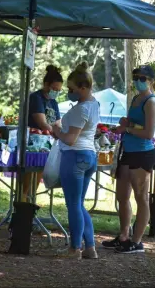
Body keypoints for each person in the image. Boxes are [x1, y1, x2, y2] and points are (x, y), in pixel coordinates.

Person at [102, 65, 155, 253]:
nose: (138, 81)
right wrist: (124, 123)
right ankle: (124, 235)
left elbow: (149, 133)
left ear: (151, 81)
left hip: (143, 153)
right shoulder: (135, 98)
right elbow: (133, 123)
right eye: (136, 77)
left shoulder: (151, 101)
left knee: (141, 197)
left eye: (143, 78)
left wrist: (127, 128)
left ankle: (137, 241)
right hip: (127, 151)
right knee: (122, 196)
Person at [52, 62, 100, 260]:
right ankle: (90, 247)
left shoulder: (82, 110)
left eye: (71, 89)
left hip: (75, 156)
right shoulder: (94, 103)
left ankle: (74, 249)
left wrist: (56, 130)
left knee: (73, 204)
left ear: (83, 88)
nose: (69, 93)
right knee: (79, 205)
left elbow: (70, 139)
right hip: (89, 156)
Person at [23, 65, 63, 201]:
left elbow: (58, 123)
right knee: (27, 180)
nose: (56, 92)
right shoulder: (36, 98)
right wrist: (58, 133)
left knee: (37, 177)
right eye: (54, 89)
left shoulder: (54, 102)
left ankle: (29, 204)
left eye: (58, 90)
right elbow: (42, 124)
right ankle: (22, 203)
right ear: (46, 84)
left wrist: (60, 132)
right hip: (33, 144)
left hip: (47, 144)